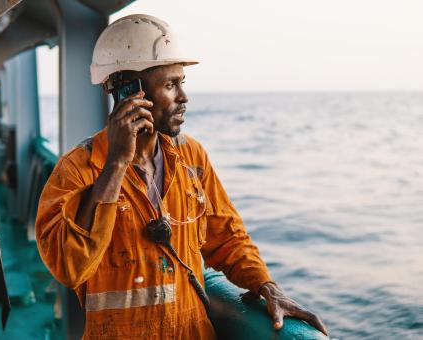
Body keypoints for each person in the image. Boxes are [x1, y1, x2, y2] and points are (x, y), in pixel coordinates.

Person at [35, 14, 328, 339]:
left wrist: (267, 286)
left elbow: (227, 236)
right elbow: (69, 267)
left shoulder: (192, 156)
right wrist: (116, 164)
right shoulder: (78, 169)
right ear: (125, 90)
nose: (183, 97)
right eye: (170, 85)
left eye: (182, 83)